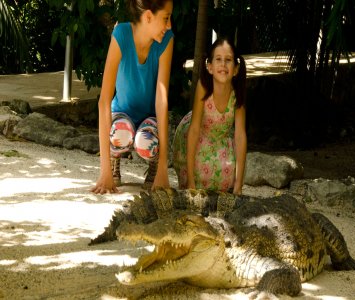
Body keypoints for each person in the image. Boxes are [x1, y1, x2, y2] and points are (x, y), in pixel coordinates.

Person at [91, 0, 174, 194]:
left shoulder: (167, 40)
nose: (169, 25)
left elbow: (162, 99)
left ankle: (153, 166)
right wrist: (104, 172)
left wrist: (163, 168)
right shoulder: (121, 34)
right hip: (121, 115)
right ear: (147, 16)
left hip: (148, 118)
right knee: (121, 134)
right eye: (166, 18)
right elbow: (104, 99)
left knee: (146, 142)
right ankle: (113, 161)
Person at [173, 37, 247, 195]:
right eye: (218, 59)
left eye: (228, 60)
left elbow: (240, 135)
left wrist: (239, 184)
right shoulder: (204, 86)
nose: (223, 64)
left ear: (236, 69)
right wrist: (191, 181)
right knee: (200, 173)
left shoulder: (237, 92)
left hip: (222, 140)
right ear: (210, 66)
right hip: (199, 134)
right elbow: (193, 129)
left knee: (228, 176)